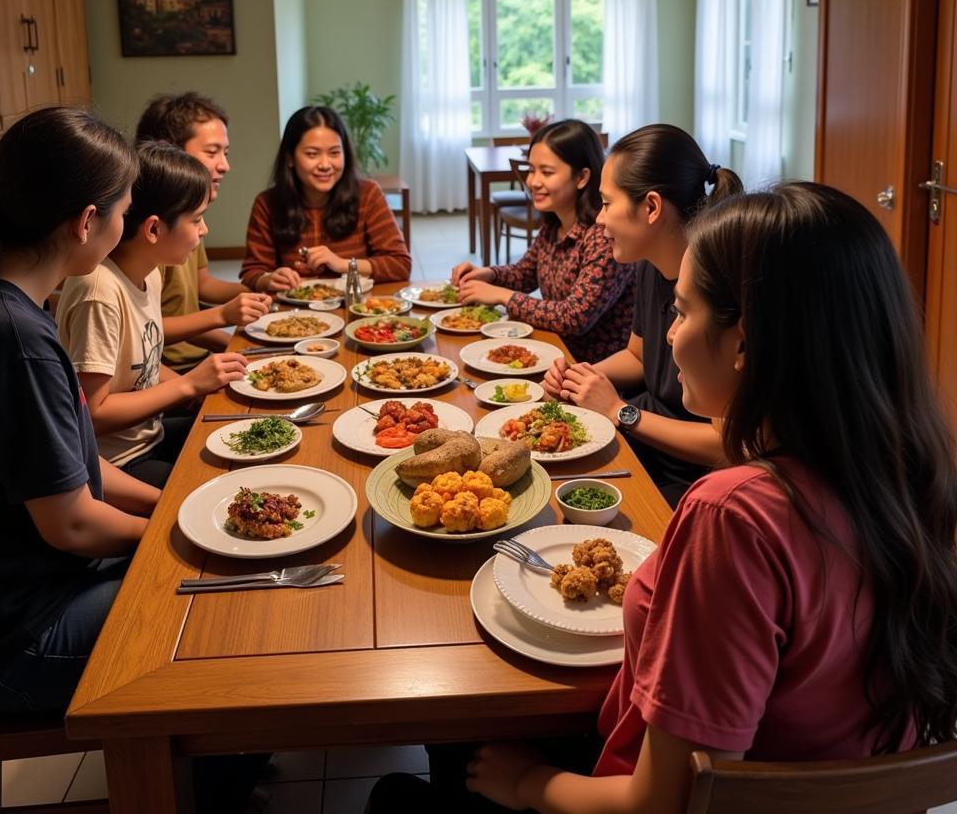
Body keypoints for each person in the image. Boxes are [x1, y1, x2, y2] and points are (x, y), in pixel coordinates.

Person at [373, 182, 957, 813]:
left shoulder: (734, 515)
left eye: (680, 313)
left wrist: (527, 785)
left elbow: (664, 800)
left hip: (683, 793)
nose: (669, 336)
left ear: (743, 343)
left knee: (432, 755)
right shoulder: (912, 472)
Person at [0, 106, 157, 714]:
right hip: (14, 643)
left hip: (25, 601)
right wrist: (171, 540)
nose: (126, 223)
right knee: (214, 595)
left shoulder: (7, 310)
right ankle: (203, 779)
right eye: (125, 209)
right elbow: (73, 523)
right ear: (88, 221)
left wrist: (168, 508)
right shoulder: (12, 339)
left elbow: (71, 467)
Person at [543, 124, 741, 505]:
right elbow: (638, 356)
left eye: (606, 203)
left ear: (651, 207)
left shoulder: (719, 285)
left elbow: (725, 444)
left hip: (689, 474)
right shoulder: (649, 263)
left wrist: (620, 411)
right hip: (644, 437)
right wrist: (581, 376)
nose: (598, 220)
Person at [56, 142, 248, 488]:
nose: (204, 231)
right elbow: (93, 414)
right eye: (197, 219)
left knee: (245, 435)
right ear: (154, 229)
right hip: (115, 463)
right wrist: (187, 383)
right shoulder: (98, 291)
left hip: (150, 436)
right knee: (228, 490)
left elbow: (141, 363)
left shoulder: (149, 272)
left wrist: (191, 391)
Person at [450, 120, 635, 363]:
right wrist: (489, 274)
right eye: (531, 170)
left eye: (546, 172)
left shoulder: (603, 236)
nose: (533, 181)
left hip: (590, 369)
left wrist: (501, 295)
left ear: (582, 177)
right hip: (553, 350)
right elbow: (526, 272)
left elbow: (574, 317)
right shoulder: (554, 223)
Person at [135, 92, 270, 372]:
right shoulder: (158, 232)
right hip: (169, 368)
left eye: (225, 152)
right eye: (212, 152)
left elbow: (203, 284)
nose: (225, 165)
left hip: (196, 357)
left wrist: (261, 288)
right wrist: (221, 317)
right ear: (169, 153)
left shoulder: (191, 217)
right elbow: (143, 330)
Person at [240, 105, 411, 292]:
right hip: (295, 315)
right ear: (290, 158)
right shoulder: (267, 204)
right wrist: (269, 279)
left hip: (354, 310)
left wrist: (342, 264)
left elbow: (400, 264)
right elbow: (252, 273)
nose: (325, 165)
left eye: (334, 153)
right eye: (312, 154)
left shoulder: (368, 194)